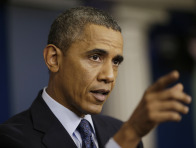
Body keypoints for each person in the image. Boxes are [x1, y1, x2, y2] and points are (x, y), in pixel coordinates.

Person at [0, 6, 191, 148]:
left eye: (116, 62)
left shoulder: (118, 131)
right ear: (54, 59)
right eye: (95, 57)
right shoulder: (11, 139)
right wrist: (128, 135)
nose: (109, 75)